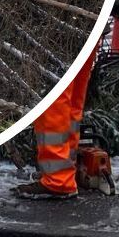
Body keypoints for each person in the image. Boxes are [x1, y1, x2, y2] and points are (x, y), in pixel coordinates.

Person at [14, 42, 101, 200]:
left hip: (60, 38)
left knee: (52, 105)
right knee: (72, 103)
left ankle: (58, 181)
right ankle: (64, 170)